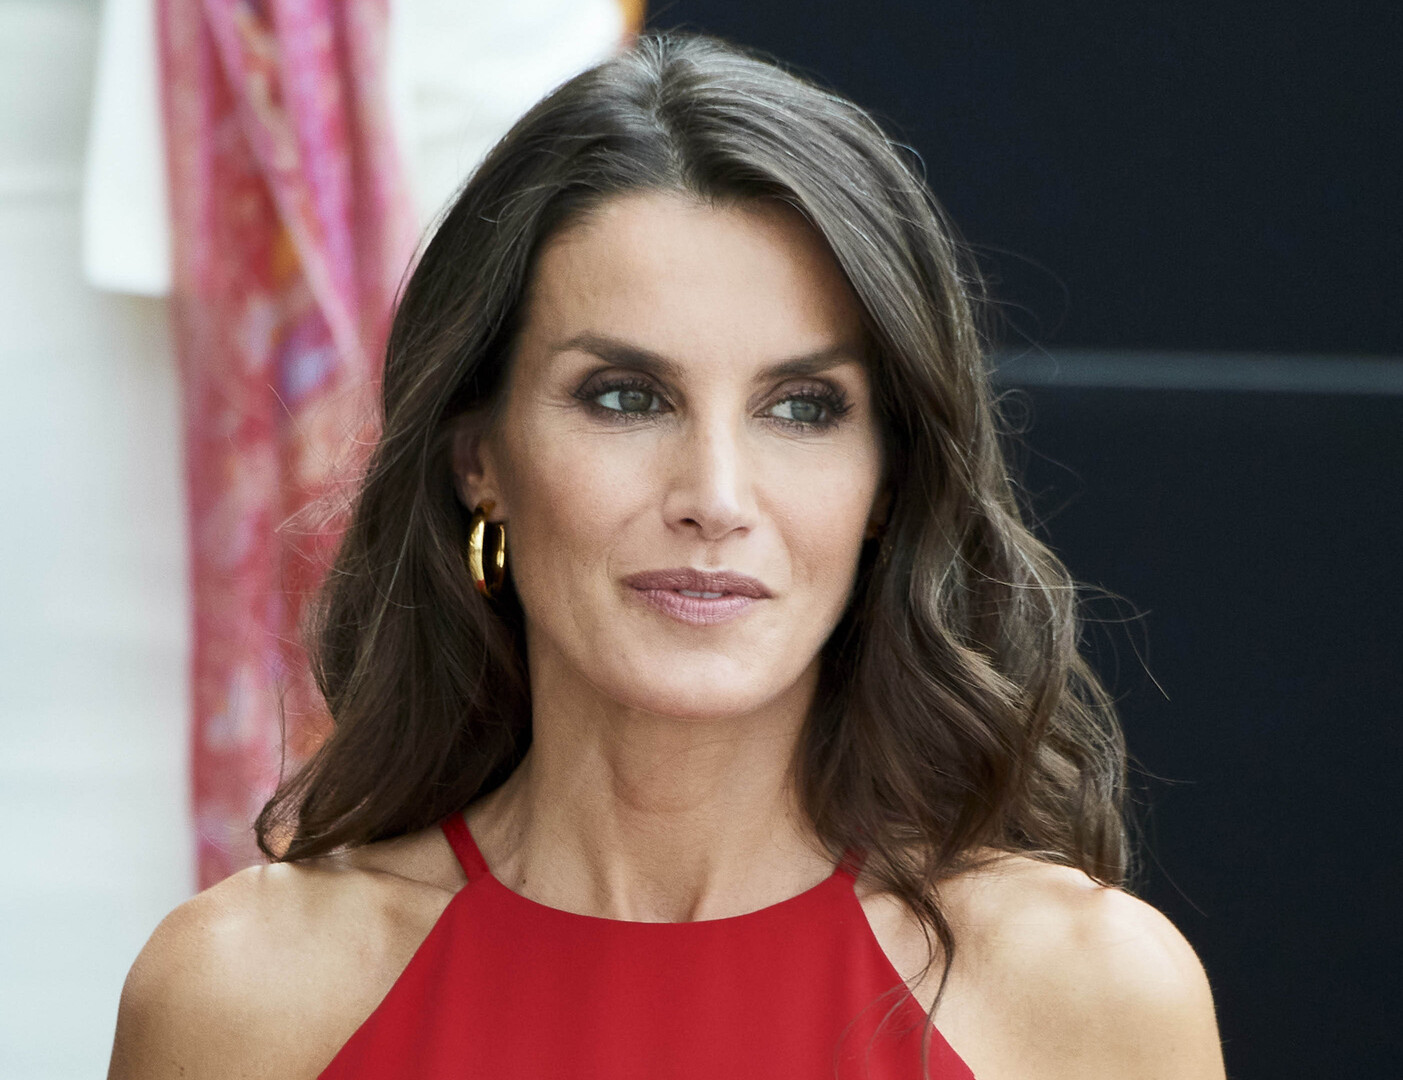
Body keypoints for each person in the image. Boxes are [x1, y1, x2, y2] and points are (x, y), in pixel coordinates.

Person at [108, 34, 1225, 1080]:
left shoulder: (1087, 998)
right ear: (477, 457)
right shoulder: (244, 994)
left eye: (801, 407)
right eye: (625, 397)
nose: (714, 499)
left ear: (888, 482)